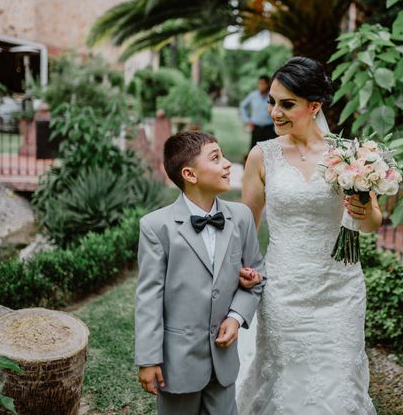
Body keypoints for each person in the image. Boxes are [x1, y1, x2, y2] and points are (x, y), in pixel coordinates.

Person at [236, 57, 381, 414]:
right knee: (285, 381)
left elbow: (372, 222)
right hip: (283, 290)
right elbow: (246, 230)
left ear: (314, 106)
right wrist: (239, 275)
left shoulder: (349, 156)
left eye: (287, 104)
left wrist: (366, 213)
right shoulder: (261, 156)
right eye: (272, 101)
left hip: (339, 289)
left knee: (339, 382)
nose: (274, 112)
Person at [135, 130, 266, 415]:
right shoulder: (157, 227)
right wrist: (148, 359)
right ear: (190, 175)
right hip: (177, 363)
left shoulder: (241, 217)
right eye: (216, 158)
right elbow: (149, 298)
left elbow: (256, 272)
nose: (228, 164)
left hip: (223, 363)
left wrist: (236, 315)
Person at [239, 75, 276, 149]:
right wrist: (247, 121)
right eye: (259, 83)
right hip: (256, 129)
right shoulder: (253, 95)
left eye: (263, 83)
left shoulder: (272, 96)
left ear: (268, 84)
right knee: (254, 150)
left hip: (269, 129)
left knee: (269, 151)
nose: (261, 86)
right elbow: (242, 106)